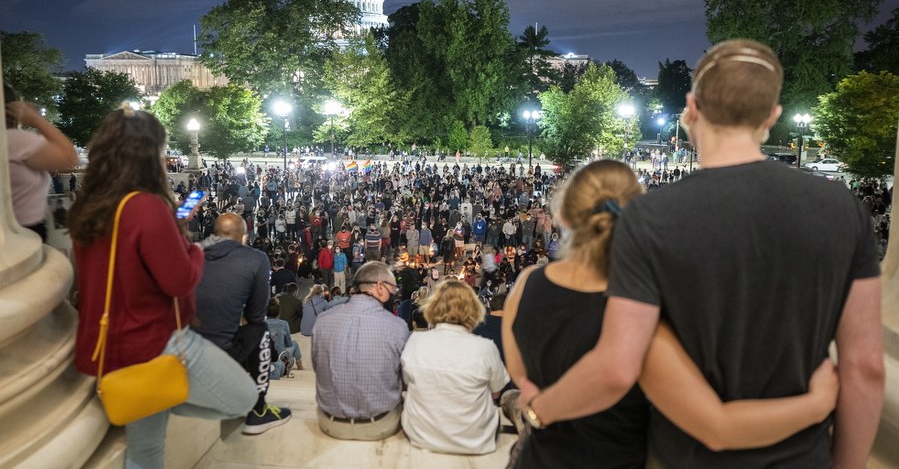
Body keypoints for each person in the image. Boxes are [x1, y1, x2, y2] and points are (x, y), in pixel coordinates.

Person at [518, 41, 880, 467]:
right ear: (772, 117)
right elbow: (865, 368)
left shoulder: (651, 217)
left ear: (691, 108)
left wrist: (540, 410)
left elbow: (617, 367)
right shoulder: (842, 209)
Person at [69, 107, 257, 468]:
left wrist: (171, 228)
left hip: (109, 343)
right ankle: (162, 395)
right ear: (149, 154)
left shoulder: (89, 206)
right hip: (153, 341)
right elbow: (181, 278)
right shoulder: (147, 207)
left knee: (146, 454)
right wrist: (193, 246)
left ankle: (158, 397)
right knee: (243, 396)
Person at [194, 212, 293, 435]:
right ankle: (258, 411)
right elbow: (257, 314)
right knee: (260, 330)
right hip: (217, 355)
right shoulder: (255, 258)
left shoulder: (192, 253)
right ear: (244, 237)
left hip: (185, 349)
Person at [401, 280, 509, 455]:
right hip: (476, 439)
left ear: (433, 306)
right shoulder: (486, 348)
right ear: (473, 309)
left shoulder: (416, 342)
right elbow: (496, 392)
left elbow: (407, 383)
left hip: (423, 436)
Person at [311, 262, 410, 441]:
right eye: (392, 288)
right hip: (380, 425)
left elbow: (318, 366)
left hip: (329, 423)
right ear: (380, 287)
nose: (393, 294)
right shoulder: (397, 326)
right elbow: (404, 379)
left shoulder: (323, 320)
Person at [4, 83, 78, 241]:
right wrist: (36, 120)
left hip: (11, 231)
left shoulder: (4, 140)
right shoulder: (14, 140)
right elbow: (69, 157)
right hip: (25, 232)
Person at [265, 299, 303, 377]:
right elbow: (289, 343)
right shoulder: (284, 324)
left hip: (265, 356)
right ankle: (300, 367)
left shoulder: (261, 324)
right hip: (280, 357)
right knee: (294, 343)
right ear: (279, 313)